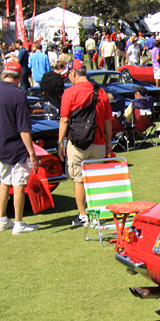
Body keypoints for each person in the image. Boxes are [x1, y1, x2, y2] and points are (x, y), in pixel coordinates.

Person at [0, 61, 40, 235]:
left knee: (4, 181)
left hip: (0, 145)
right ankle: (18, 223)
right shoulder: (19, 95)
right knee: (18, 184)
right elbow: (24, 128)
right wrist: (32, 153)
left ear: (3, 74)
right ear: (19, 76)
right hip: (17, 147)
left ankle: (2, 219)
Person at [58, 59, 114, 228]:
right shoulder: (101, 92)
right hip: (98, 140)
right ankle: (96, 213)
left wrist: (60, 142)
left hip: (78, 142)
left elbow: (64, 120)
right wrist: (108, 143)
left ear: (74, 73)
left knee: (79, 179)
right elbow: (108, 121)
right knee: (95, 179)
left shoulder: (70, 93)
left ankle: (83, 215)